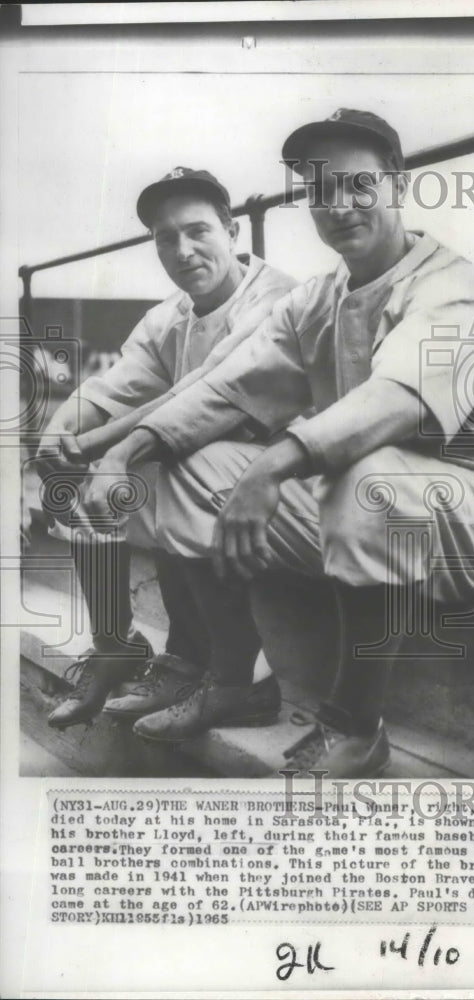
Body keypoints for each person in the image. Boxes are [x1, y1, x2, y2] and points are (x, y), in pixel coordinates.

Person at [84, 110, 474, 774]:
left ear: (397, 181)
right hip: (377, 510)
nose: (338, 205)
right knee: (184, 466)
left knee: (365, 474)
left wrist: (273, 467)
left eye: (359, 184)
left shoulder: (452, 287)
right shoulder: (320, 297)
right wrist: (121, 455)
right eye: (318, 189)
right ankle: (232, 683)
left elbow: (390, 406)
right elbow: (224, 387)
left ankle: (356, 727)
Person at [38, 167, 296, 730]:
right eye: (165, 239)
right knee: (81, 477)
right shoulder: (169, 315)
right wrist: (59, 436)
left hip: (291, 478)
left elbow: (195, 394)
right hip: (215, 472)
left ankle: (200, 665)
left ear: (233, 232)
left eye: (198, 231)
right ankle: (115, 645)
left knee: (163, 464)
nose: (183, 250)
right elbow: (109, 389)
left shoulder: (278, 300)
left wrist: (97, 447)